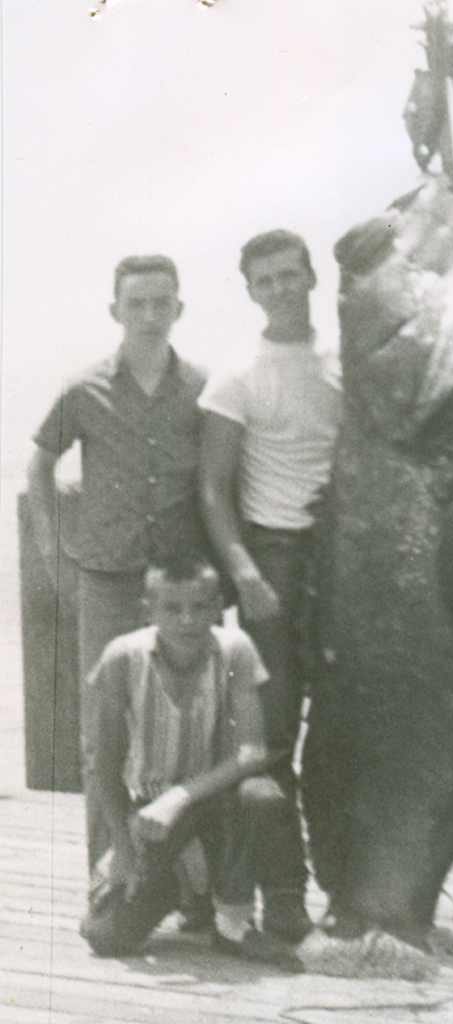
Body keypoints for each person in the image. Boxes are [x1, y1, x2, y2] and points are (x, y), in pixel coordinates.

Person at [27, 255, 209, 871]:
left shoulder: (205, 389)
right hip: (106, 578)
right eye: (138, 304)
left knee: (192, 731)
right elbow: (39, 464)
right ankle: (107, 876)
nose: (151, 316)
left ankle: (189, 888)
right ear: (116, 311)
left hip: (181, 589)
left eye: (162, 303)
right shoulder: (84, 390)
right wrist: (54, 549)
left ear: (179, 309)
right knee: (102, 733)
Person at [198, 230, 341, 938]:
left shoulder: (351, 361)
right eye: (266, 280)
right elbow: (212, 488)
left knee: (349, 732)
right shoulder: (236, 373)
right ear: (251, 290)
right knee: (275, 735)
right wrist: (246, 573)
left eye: (291, 274)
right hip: (273, 559)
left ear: (312, 276)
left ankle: (349, 886)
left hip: (345, 561)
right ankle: (286, 892)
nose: (281, 288)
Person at [80, 556, 312, 963]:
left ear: (218, 606)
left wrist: (179, 798)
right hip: (149, 813)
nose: (187, 620)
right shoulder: (122, 657)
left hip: (213, 799)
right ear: (148, 611)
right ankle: (185, 886)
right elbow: (104, 763)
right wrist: (123, 849)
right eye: (172, 608)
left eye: (200, 606)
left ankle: (232, 925)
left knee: (260, 795)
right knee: (106, 935)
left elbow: (252, 752)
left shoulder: (235, 650)